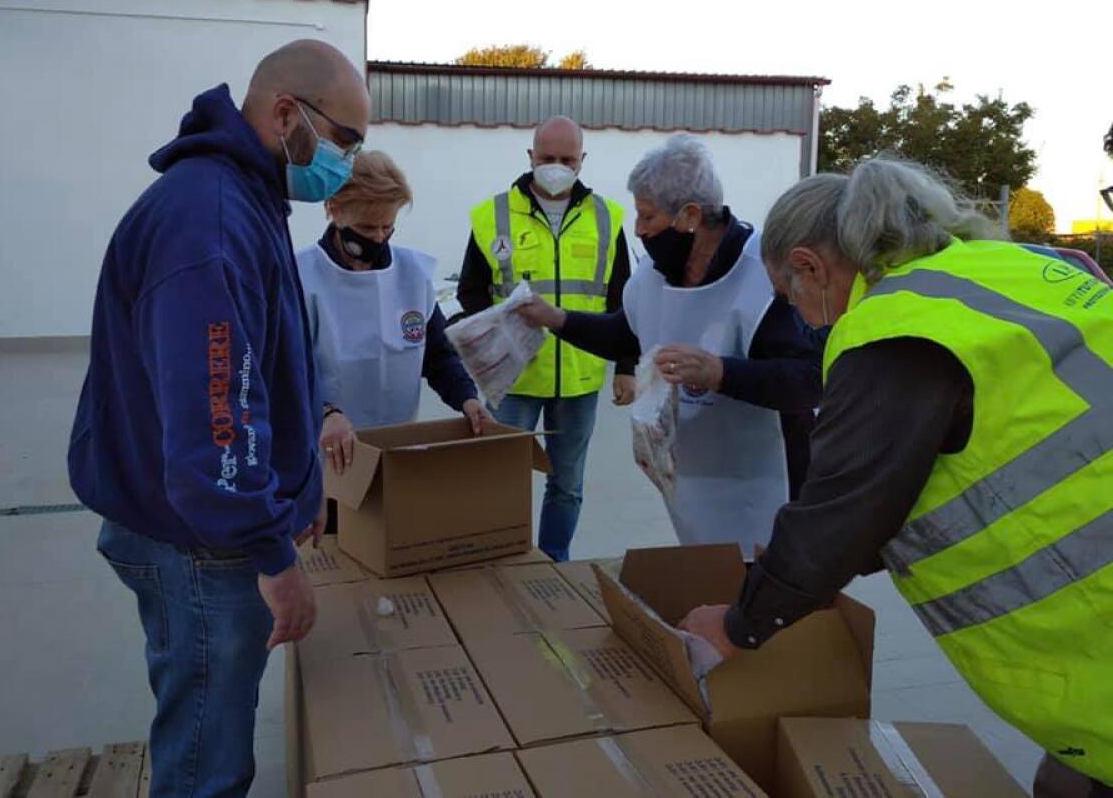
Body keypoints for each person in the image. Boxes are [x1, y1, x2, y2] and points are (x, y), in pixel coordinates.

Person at [678, 158, 1113, 798]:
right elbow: (975, 456)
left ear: (809, 267)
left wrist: (740, 624)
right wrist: (803, 572)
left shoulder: (890, 328)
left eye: (790, 297)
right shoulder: (1017, 268)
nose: (804, 319)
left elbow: (841, 513)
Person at [68, 39, 370, 798]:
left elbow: (256, 372)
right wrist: (270, 554)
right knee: (209, 759)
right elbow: (217, 423)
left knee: (208, 725)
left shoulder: (241, 199)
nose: (349, 162)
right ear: (284, 113)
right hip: (201, 546)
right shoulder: (209, 220)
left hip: (197, 529)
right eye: (345, 140)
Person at [517, 134, 822, 553]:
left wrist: (719, 372)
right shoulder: (655, 275)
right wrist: (556, 319)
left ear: (691, 216)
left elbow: (807, 380)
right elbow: (625, 333)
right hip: (693, 483)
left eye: (648, 217)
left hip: (767, 486)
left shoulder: (763, 273)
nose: (638, 230)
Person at [457, 115, 635, 561]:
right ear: (531, 157)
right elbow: (471, 292)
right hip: (513, 378)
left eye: (567, 159)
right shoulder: (491, 215)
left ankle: (553, 563)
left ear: (582, 160)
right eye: (548, 157)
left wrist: (626, 368)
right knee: (501, 479)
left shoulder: (607, 217)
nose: (556, 166)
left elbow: (624, 301)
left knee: (567, 485)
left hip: (578, 378)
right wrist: (494, 340)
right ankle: (503, 559)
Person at [296, 150, 492, 531]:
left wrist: (466, 398)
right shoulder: (302, 278)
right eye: (368, 228)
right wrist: (325, 412)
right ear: (333, 209)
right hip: (324, 460)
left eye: (388, 227)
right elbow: (283, 368)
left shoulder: (412, 275)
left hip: (393, 452)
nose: (379, 238)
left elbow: (437, 354)